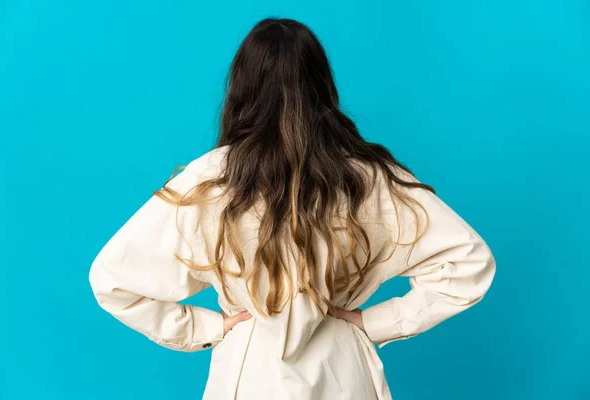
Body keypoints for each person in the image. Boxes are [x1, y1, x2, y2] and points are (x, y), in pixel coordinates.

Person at [88, 17, 496, 400]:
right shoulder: (368, 176)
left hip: (250, 372)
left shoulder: (210, 178)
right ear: (322, 85)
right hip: (343, 371)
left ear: (242, 87)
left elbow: (114, 279)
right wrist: (376, 322)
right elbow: (468, 262)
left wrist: (208, 327)